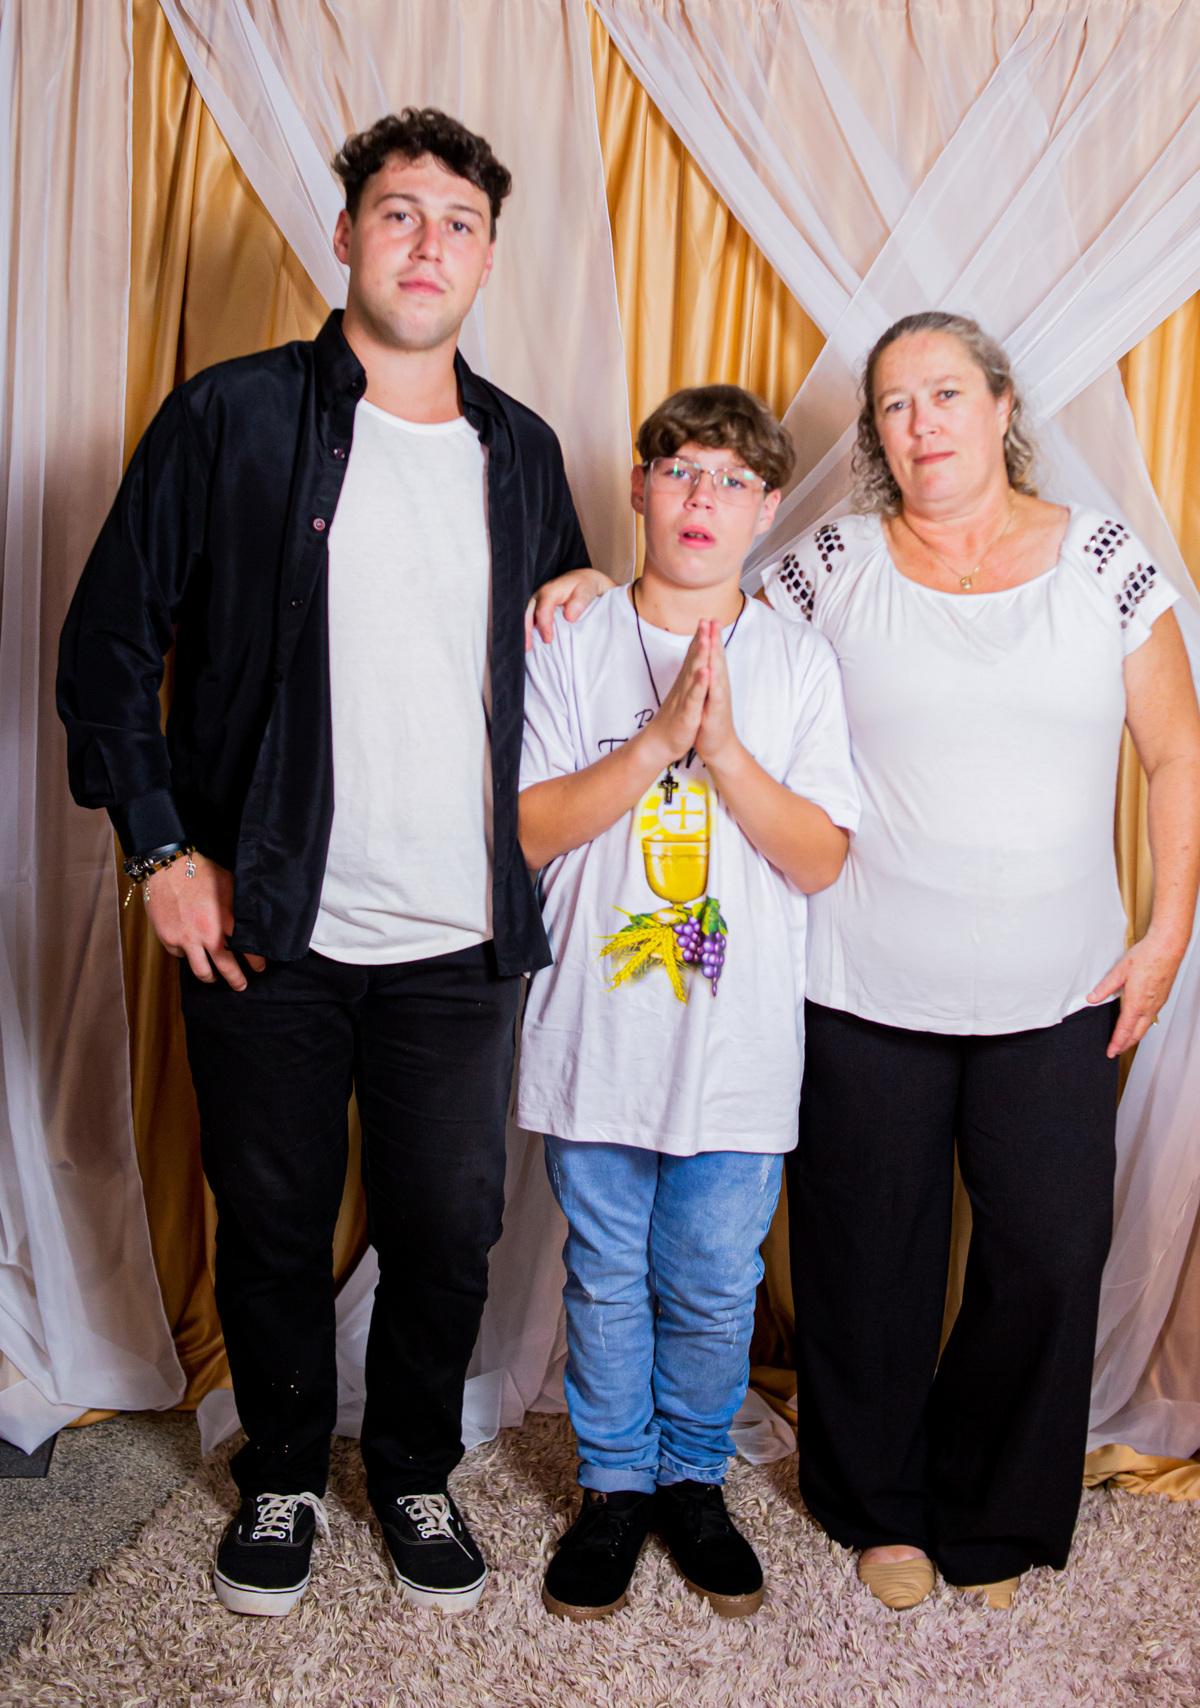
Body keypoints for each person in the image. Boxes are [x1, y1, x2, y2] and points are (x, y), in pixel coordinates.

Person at [57, 109, 607, 1619]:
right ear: (351, 235)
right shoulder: (229, 417)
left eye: (459, 222)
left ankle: (415, 1464)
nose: (429, 243)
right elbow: (107, 645)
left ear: (487, 258)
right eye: (400, 213)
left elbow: (566, 662)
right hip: (268, 923)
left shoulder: (522, 452)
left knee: (450, 1226)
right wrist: (162, 848)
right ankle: (287, 1471)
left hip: (459, 932)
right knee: (275, 1222)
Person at [757, 313, 1200, 1609]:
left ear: (1003, 407)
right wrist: (583, 597)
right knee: (864, 1254)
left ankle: (995, 1505)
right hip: (860, 981)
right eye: (895, 404)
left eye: (946, 393)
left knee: (1051, 1254)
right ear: (876, 433)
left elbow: (1175, 751)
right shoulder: (831, 566)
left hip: (1060, 988)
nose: (922, 423)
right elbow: (697, 638)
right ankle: (877, 1506)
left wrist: (1169, 933)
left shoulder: (1105, 563)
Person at [516, 386, 861, 1621]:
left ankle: (692, 1480)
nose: (702, 498)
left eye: (732, 479)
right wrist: (658, 741)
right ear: (640, 488)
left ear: (767, 509)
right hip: (597, 1030)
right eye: (679, 471)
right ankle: (614, 1484)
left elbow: (819, 857)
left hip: (738, 1042)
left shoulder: (798, 661)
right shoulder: (572, 639)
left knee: (715, 1279)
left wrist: (723, 752)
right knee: (607, 1271)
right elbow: (529, 830)